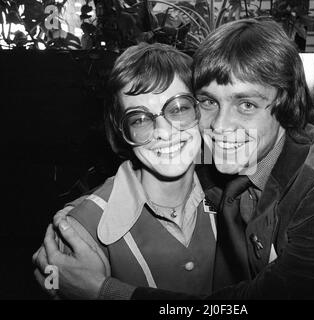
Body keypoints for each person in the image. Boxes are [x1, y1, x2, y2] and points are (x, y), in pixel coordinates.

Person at [33, 19, 314, 299]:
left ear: (286, 106)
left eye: (246, 104)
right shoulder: (246, 144)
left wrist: (102, 292)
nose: (220, 125)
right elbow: (164, 153)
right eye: (209, 102)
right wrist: (81, 216)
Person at [33, 42, 221, 299]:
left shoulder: (238, 194)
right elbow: (53, 280)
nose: (164, 133)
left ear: (201, 111)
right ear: (122, 131)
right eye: (140, 120)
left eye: (178, 108)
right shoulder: (82, 228)